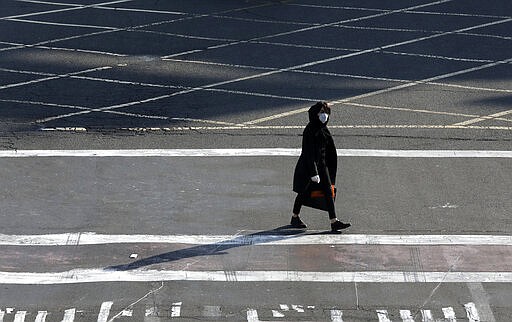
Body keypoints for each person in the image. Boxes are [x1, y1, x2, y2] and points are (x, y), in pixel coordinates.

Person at [291, 101, 351, 231]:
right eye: (321, 112)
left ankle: (334, 221)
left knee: (329, 192)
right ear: (315, 114)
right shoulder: (310, 130)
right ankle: (295, 216)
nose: (324, 115)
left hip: (322, 166)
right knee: (303, 192)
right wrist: (313, 172)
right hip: (309, 167)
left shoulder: (323, 129)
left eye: (326, 112)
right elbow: (308, 153)